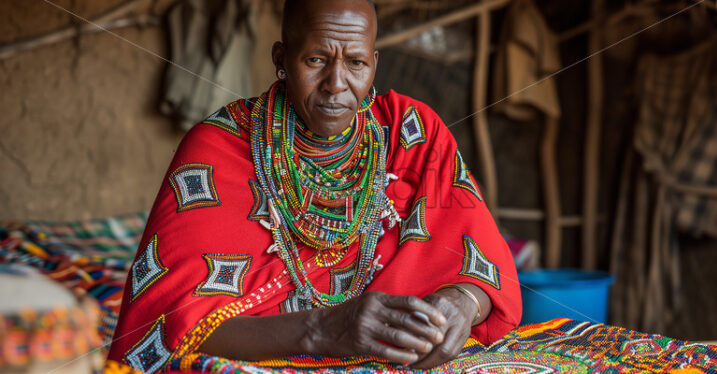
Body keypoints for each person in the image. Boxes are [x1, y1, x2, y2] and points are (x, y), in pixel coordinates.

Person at [107, 0, 522, 372]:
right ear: (282, 59)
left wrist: (461, 303)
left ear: (374, 63)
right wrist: (323, 329)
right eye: (316, 60)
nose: (336, 83)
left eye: (356, 63)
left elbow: (485, 266)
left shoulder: (411, 135)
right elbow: (163, 329)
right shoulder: (219, 149)